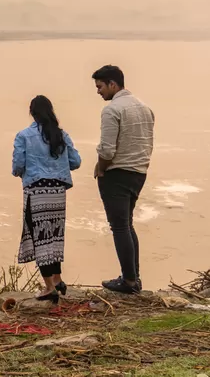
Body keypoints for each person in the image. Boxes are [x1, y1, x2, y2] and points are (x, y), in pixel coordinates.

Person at [92, 64, 156, 294]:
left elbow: (107, 150)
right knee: (127, 225)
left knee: (119, 227)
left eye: (100, 87)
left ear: (112, 84)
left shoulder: (112, 110)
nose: (98, 91)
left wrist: (100, 168)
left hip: (117, 174)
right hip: (138, 173)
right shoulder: (144, 108)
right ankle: (134, 277)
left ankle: (129, 281)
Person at [12, 95, 81, 302]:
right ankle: (58, 279)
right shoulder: (61, 135)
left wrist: (22, 173)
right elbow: (75, 161)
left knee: (41, 238)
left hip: (36, 191)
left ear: (32, 113)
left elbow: (17, 165)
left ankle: (49, 287)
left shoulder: (24, 136)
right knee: (54, 237)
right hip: (58, 192)